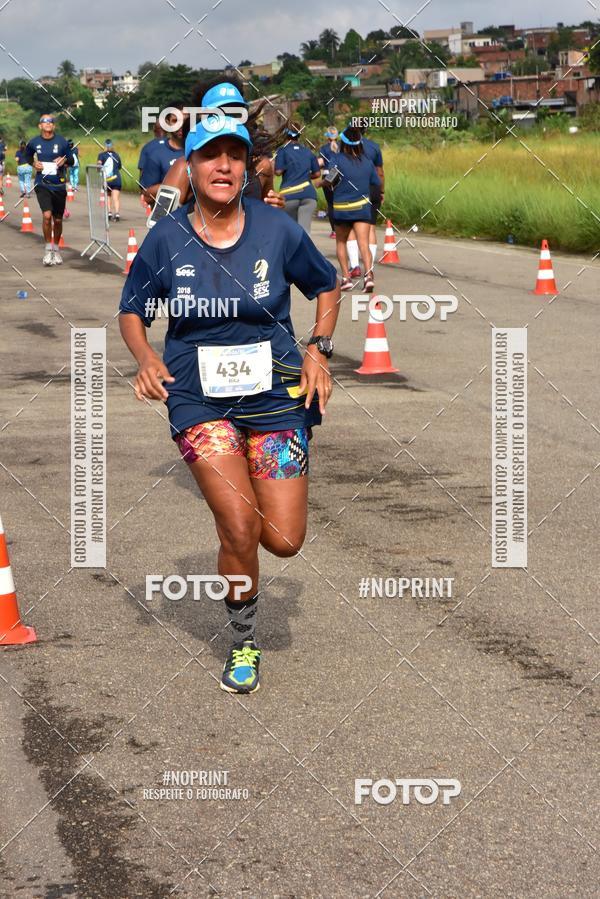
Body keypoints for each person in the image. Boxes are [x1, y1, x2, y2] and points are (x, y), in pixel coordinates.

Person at [119, 114, 340, 694]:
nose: (223, 167)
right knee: (239, 525)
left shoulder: (277, 229)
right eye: (210, 157)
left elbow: (326, 284)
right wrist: (144, 355)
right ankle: (243, 643)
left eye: (234, 157)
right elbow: (132, 308)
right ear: (190, 167)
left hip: (274, 400)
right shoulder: (167, 237)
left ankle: (242, 534)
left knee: (284, 540)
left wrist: (318, 349)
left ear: (247, 167)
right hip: (197, 400)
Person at [162, 77, 286, 210]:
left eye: (235, 112)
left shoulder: (262, 166)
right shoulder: (184, 167)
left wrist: (277, 207)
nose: (228, 118)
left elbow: (267, 214)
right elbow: (160, 221)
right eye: (220, 112)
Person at [327, 127, 380, 293]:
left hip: (342, 209)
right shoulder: (367, 162)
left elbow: (330, 180)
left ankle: (346, 278)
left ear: (343, 142)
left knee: (341, 242)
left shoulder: (336, 159)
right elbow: (376, 182)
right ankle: (369, 276)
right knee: (363, 243)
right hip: (362, 207)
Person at [24, 114, 74, 266]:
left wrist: (64, 160)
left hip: (58, 185)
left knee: (57, 219)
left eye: (50, 121)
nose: (48, 123)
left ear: (54, 125)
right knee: (47, 216)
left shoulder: (61, 141)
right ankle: (47, 251)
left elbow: (71, 160)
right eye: (45, 121)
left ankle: (56, 250)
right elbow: (27, 157)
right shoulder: (34, 142)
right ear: (40, 125)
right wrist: (34, 164)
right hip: (42, 184)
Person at [274, 124, 320, 234]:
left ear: (286, 135)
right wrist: (305, 175)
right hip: (309, 195)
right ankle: (305, 250)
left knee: (290, 231)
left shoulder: (282, 151)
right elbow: (317, 173)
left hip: (290, 195)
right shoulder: (308, 151)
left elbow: (278, 172)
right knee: (305, 231)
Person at [139, 103, 185, 203]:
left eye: (185, 121)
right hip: (166, 216)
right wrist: (176, 183)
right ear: (167, 123)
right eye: (175, 121)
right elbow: (146, 194)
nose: (180, 125)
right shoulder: (156, 154)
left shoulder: (201, 151)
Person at [317, 126, 339, 239]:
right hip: (341, 175)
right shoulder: (342, 147)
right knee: (341, 202)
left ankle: (334, 231)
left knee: (331, 204)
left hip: (328, 176)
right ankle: (344, 228)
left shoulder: (324, 148)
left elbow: (320, 163)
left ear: (327, 137)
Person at [97, 139, 123, 221]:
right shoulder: (116, 155)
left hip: (107, 179)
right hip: (116, 179)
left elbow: (99, 165)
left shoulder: (101, 155)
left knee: (108, 195)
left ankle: (109, 212)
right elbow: (119, 167)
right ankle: (117, 213)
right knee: (116, 197)